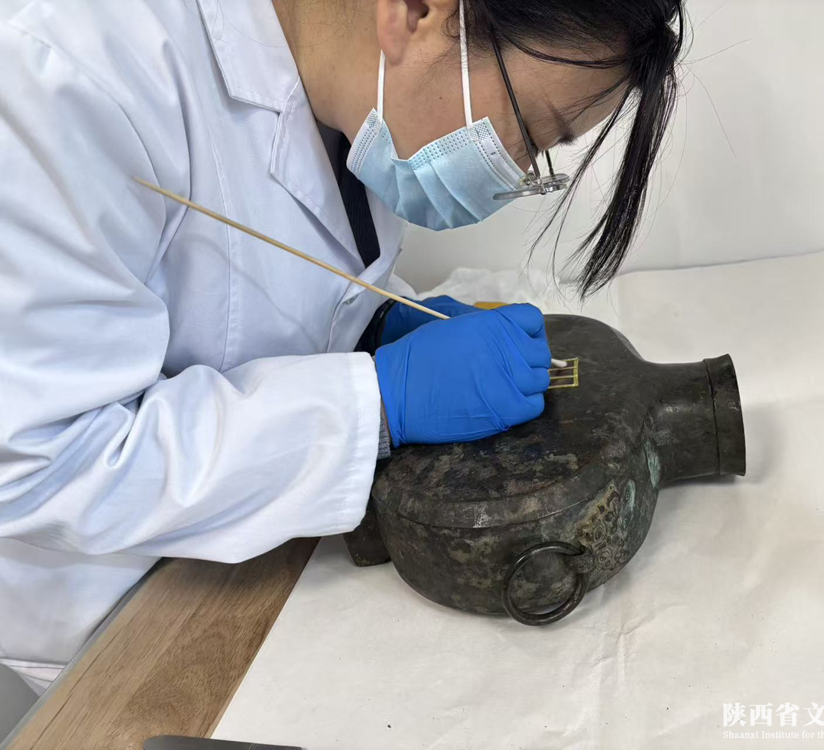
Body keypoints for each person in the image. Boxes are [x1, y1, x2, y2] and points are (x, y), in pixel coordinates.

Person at [0, 0, 683, 692]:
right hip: (126, 632)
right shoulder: (67, 76)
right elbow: (42, 460)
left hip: (282, 562)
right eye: (530, 132)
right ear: (416, 12)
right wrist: (377, 401)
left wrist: (376, 324)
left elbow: (272, 283)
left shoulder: (352, 87)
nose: (515, 171)